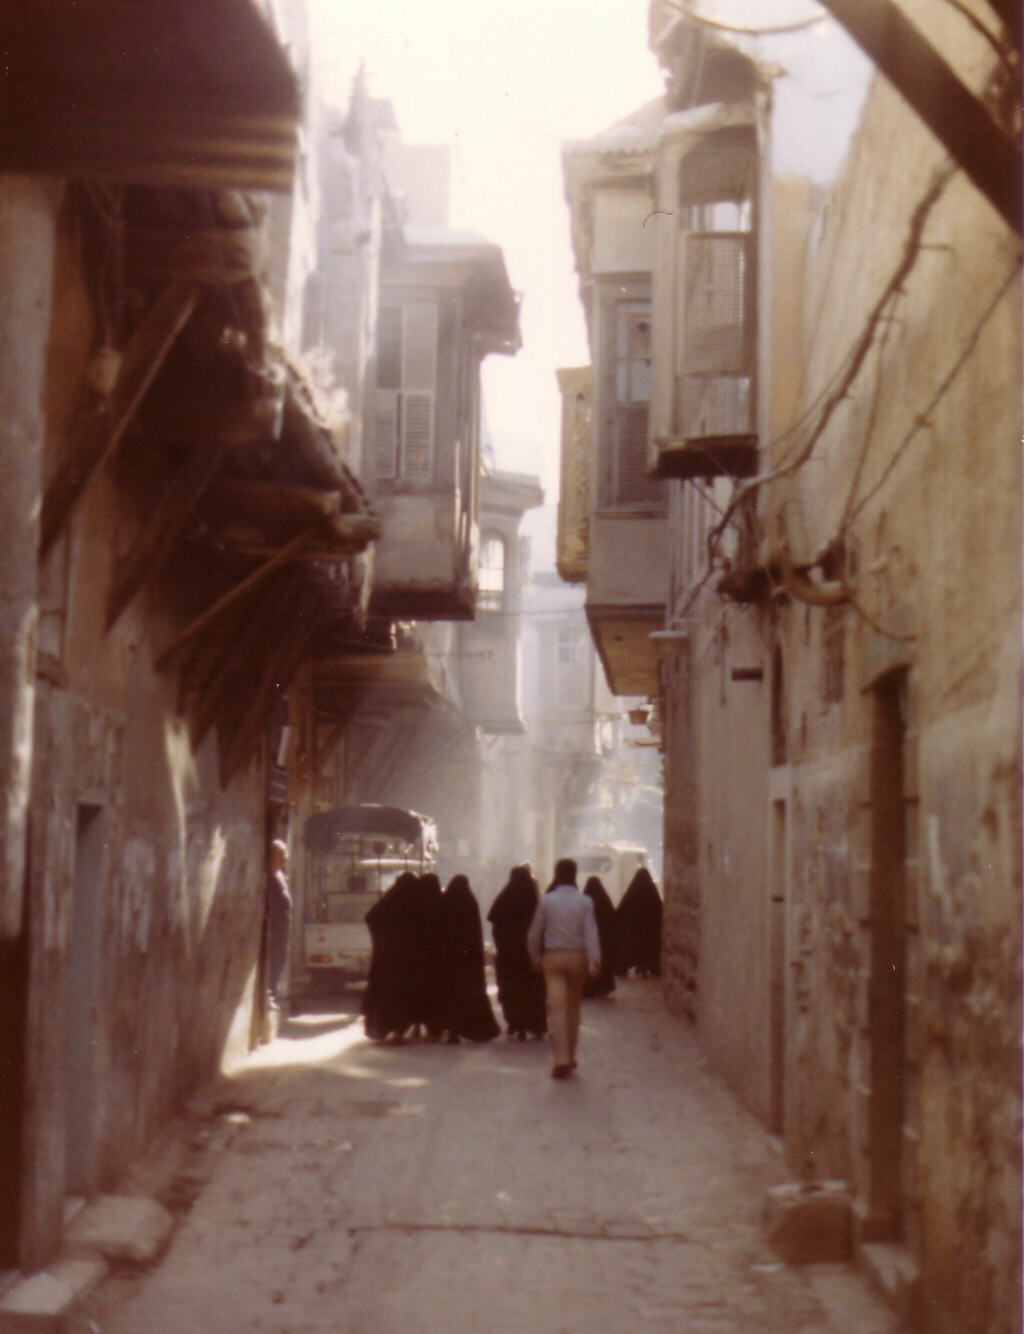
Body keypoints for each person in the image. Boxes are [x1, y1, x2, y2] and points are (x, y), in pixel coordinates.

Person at [527, 858, 601, 1078]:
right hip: (577, 958)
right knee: (573, 1009)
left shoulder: (546, 901)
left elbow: (534, 933)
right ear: (575, 875)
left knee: (556, 1008)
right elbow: (590, 933)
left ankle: (561, 1059)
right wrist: (594, 961)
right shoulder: (585, 902)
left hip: (554, 959)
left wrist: (535, 957)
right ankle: (571, 1054)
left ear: (557, 875)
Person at [487, 865, 546, 1039]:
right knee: (532, 991)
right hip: (529, 956)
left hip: (508, 956)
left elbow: (495, 926)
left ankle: (516, 1023)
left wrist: (502, 946)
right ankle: (535, 1026)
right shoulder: (534, 902)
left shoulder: (504, 899)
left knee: (511, 990)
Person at [439, 875, 500, 1043]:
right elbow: (475, 932)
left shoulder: (446, 903)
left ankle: (453, 1030)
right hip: (468, 958)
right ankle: (475, 1028)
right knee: (469, 994)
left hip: (450, 958)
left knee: (451, 994)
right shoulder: (470, 903)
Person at [362, 871, 420, 1041]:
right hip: (405, 962)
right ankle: (399, 1031)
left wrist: (380, 940)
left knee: (387, 994)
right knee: (401, 995)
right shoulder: (412, 906)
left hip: (385, 960)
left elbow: (371, 916)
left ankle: (385, 1029)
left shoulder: (388, 902)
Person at [615, 866, 663, 977]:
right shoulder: (652, 893)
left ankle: (627, 968)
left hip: (633, 931)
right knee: (647, 948)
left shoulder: (632, 893)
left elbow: (621, 911)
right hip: (649, 931)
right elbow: (660, 910)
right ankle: (647, 968)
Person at [266, 838, 292, 1009]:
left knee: (281, 957)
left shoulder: (279, 873)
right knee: (273, 959)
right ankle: (269, 994)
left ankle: (272, 993)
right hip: (274, 923)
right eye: (281, 854)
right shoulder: (269, 875)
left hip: (282, 922)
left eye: (285, 854)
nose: (285, 857)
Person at [581, 875, 617, 999]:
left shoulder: (584, 902)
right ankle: (603, 987)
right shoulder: (604, 901)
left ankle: (590, 988)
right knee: (603, 963)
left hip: (589, 939)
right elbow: (613, 918)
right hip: (604, 940)